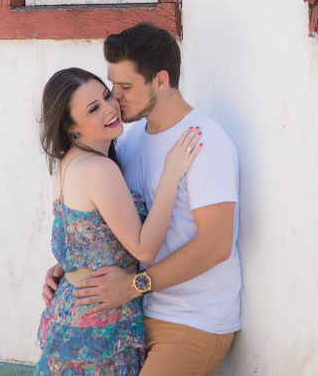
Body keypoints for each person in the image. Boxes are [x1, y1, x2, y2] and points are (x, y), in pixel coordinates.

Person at [43, 24, 241, 376]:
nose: (115, 99)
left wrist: (134, 286)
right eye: (112, 87)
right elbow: (112, 225)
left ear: (161, 81)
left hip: (191, 320)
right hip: (130, 316)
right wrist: (74, 268)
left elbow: (216, 244)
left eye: (126, 87)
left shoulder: (204, 142)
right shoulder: (127, 140)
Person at [36, 67, 201, 376]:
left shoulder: (66, 165)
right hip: (99, 330)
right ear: (71, 127)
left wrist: (65, 268)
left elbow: (83, 236)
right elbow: (144, 249)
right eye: (93, 109)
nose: (110, 108)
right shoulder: (99, 170)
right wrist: (171, 175)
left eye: (106, 96)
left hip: (70, 317)